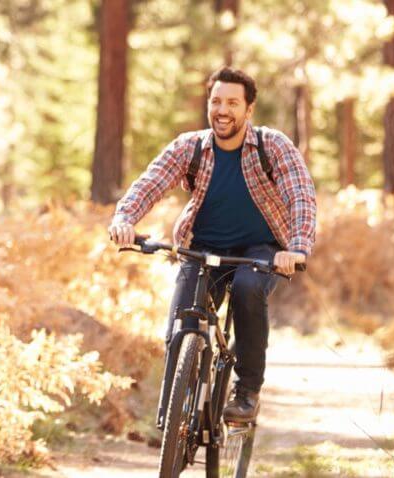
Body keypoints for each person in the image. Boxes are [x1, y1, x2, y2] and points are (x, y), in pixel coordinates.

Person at [108, 67, 316, 423]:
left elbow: (300, 196)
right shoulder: (191, 147)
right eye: (216, 101)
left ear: (249, 109)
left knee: (248, 290)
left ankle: (247, 392)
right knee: (180, 326)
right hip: (202, 248)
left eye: (233, 103)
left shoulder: (272, 146)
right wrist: (125, 219)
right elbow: (151, 182)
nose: (222, 110)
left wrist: (296, 248)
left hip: (260, 251)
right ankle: (177, 414)